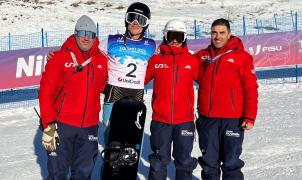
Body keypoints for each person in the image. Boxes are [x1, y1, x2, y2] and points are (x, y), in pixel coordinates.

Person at [38, 15, 108, 179]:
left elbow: (106, 85)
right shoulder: (59, 58)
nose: (86, 38)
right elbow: (45, 92)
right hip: (62, 125)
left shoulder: (101, 60)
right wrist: (48, 125)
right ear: (75, 33)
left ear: (95, 37)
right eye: (83, 33)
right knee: (57, 173)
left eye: (90, 34)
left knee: (84, 173)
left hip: (89, 127)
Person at [195, 18, 258, 180]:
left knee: (231, 164)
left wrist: (249, 116)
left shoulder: (242, 57)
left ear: (229, 34)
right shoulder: (202, 56)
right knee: (209, 165)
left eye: (222, 33)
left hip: (232, 119)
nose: (217, 36)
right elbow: (181, 64)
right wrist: (164, 51)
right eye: (214, 32)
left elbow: (250, 89)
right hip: (207, 119)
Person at [145, 19, 199, 180]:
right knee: (159, 162)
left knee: (184, 161)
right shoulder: (156, 60)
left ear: (185, 37)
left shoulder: (192, 61)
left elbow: (209, 80)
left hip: (185, 120)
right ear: (165, 36)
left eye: (179, 36)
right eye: (171, 36)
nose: (175, 40)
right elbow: (141, 79)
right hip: (161, 121)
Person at [101, 2, 156, 145]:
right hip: (114, 93)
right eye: (132, 18)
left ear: (146, 24)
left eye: (141, 20)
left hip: (136, 95)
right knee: (111, 140)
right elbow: (89, 56)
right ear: (126, 20)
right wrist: (61, 53)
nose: (135, 23)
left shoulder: (151, 45)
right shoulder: (111, 40)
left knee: (132, 142)